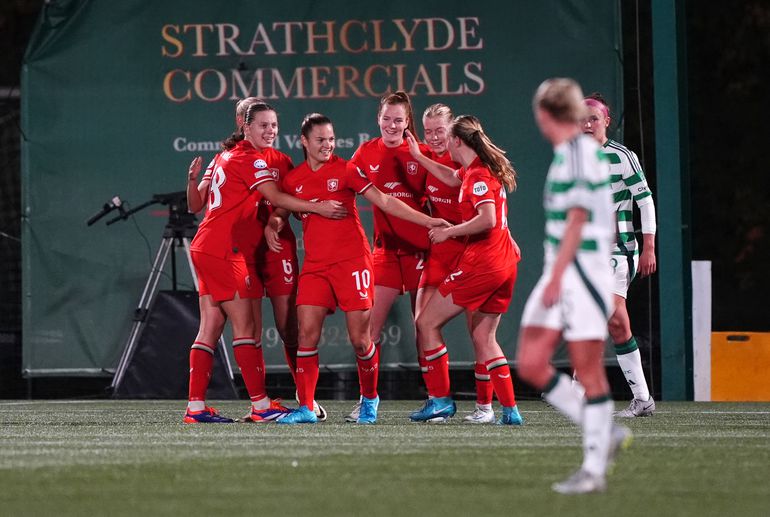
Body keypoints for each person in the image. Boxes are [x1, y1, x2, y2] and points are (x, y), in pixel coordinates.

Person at [264, 113, 448, 424]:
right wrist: (274, 223)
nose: (327, 145)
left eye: (331, 139)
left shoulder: (347, 169)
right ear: (304, 142)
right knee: (306, 335)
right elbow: (282, 208)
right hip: (316, 266)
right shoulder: (294, 179)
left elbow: (386, 201)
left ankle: (369, 400)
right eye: (321, 140)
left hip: (352, 263)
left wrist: (428, 220)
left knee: (361, 340)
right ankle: (307, 407)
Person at [183, 102, 347, 423]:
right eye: (262, 125)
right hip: (229, 249)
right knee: (248, 329)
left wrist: (279, 218)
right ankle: (261, 406)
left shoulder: (234, 157)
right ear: (244, 125)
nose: (270, 130)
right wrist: (318, 208)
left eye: (273, 125)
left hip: (210, 245)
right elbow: (278, 196)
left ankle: (196, 408)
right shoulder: (246, 158)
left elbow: (280, 200)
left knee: (211, 327)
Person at [516, 78, 631, 494]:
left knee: (587, 368)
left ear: (547, 114)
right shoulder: (568, 153)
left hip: (582, 273)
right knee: (530, 361)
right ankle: (604, 430)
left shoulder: (582, 154)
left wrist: (560, 274)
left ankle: (594, 466)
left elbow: (580, 217)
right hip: (561, 271)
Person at [405, 115, 523, 426]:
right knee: (485, 338)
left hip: (483, 264)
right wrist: (418, 156)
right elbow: (451, 177)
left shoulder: (478, 176)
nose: (443, 143)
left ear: (457, 141)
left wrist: (450, 232)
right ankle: (510, 412)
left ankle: (441, 402)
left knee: (426, 323)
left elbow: (487, 219)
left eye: (447, 138)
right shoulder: (476, 172)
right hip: (505, 263)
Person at [345, 91, 432, 421]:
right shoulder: (366, 152)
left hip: (422, 254)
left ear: (408, 121)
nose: (392, 125)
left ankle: (437, 399)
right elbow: (341, 181)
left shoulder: (422, 154)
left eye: (399, 119)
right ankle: (368, 401)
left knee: (427, 331)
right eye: (386, 118)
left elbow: (447, 193)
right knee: (367, 333)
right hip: (385, 254)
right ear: (378, 118)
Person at [414, 104, 497, 424]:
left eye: (440, 131)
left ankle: (484, 406)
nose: (434, 137)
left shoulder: (467, 161)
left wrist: (505, 235)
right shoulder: (423, 158)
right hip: (440, 254)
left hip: (470, 253)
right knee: (422, 324)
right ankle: (438, 400)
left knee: (479, 334)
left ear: (454, 135)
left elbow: (491, 207)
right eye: (429, 131)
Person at [583, 93, 657, 417]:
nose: (587, 124)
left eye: (594, 119)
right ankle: (643, 399)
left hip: (620, 248)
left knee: (608, 313)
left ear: (606, 122)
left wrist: (650, 246)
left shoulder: (623, 157)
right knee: (618, 324)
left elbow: (645, 200)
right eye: (582, 118)